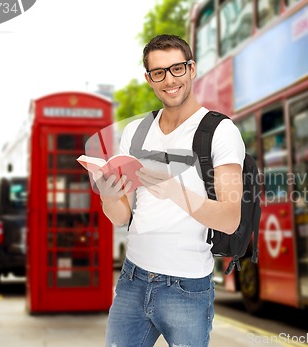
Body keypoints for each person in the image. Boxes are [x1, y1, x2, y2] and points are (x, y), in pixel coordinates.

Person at [98, 34, 245, 347]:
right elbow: (121, 216)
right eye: (158, 73)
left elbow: (230, 218)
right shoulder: (134, 132)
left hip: (187, 288)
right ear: (149, 79)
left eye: (177, 68)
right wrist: (108, 195)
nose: (169, 80)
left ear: (191, 69)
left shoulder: (220, 132)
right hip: (132, 280)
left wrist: (173, 189)